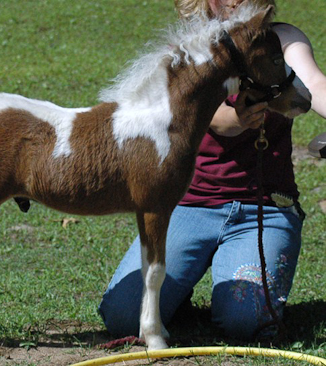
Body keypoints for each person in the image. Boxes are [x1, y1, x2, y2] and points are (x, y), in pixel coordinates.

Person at [98, 0, 326, 340]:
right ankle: (180, 292)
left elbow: (316, 85)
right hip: (188, 205)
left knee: (246, 323)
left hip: (264, 207)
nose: (234, 0)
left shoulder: (281, 39)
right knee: (124, 316)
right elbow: (204, 112)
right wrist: (235, 119)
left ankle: (205, 294)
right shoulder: (187, 47)